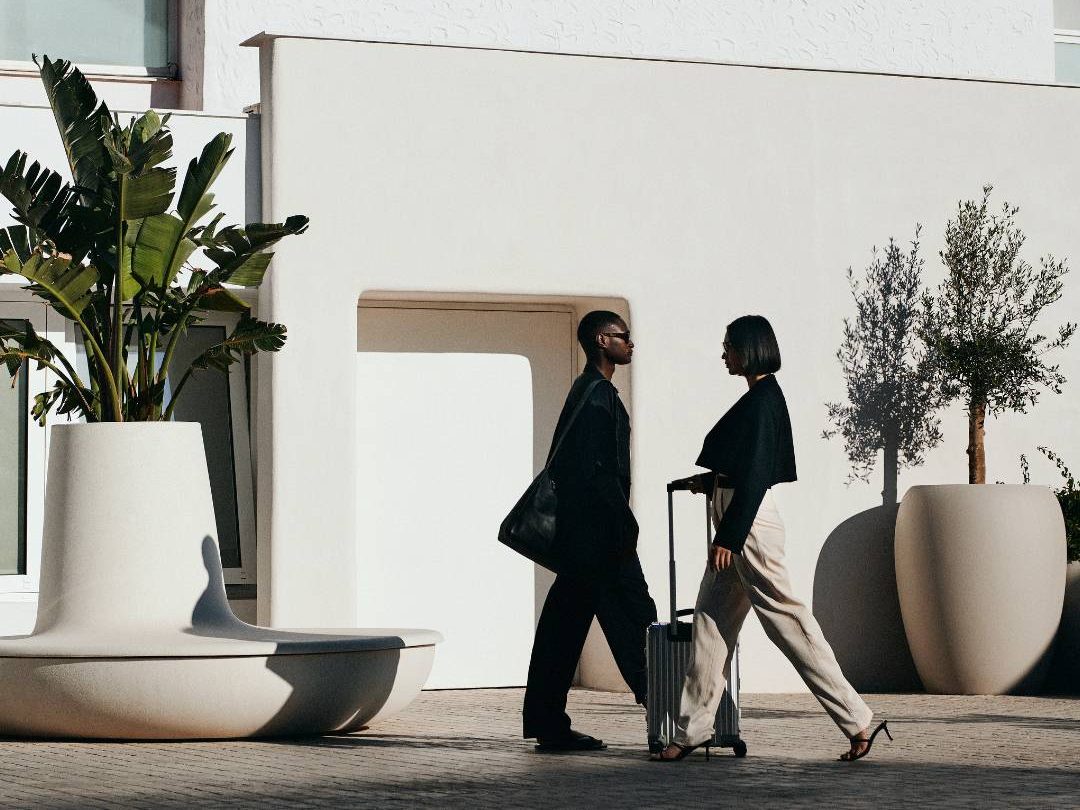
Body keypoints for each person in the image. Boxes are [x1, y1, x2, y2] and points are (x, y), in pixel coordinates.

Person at [652, 315, 891, 763]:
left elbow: (758, 475)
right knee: (710, 624)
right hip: (737, 517)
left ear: (748, 349)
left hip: (748, 526)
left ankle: (857, 718)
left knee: (786, 620)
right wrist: (710, 481)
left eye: (728, 346)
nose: (724, 353)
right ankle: (691, 731)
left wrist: (729, 535)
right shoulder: (759, 398)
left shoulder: (764, 400)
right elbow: (746, 465)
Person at [522, 310, 658, 752]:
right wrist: (625, 522)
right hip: (603, 538)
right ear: (602, 340)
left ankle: (547, 722)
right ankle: (669, 716)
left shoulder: (586, 391)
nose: (631, 343)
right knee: (637, 618)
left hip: (584, 539)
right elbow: (599, 472)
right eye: (624, 337)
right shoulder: (598, 397)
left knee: (563, 628)